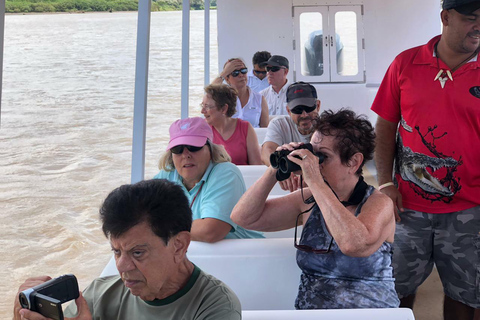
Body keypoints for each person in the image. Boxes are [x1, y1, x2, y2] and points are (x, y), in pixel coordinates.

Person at [371, 1, 480, 318]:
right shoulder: (406, 64)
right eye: (471, 18)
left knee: (465, 297)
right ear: (446, 17)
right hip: (407, 209)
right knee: (395, 291)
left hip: (470, 211)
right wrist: (386, 183)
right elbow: (385, 127)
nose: (478, 26)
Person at [231, 109, 399, 309]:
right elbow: (243, 218)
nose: (312, 163)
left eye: (322, 157)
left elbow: (354, 244)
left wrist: (315, 181)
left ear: (354, 162)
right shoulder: (309, 201)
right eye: (312, 152)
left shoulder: (379, 203)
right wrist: (274, 169)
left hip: (369, 314)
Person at [13, 179, 242, 320]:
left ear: (179, 246)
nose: (121, 266)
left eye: (137, 253)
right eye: (116, 252)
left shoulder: (215, 306)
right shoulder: (98, 295)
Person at [154, 117, 263, 242]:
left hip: (243, 256)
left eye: (193, 147)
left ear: (211, 150)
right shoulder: (168, 175)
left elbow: (211, 230)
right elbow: (138, 212)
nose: (185, 154)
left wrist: (160, 226)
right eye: (177, 149)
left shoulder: (226, 173)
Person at [261, 81, 320, 192]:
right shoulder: (279, 124)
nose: (304, 114)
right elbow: (266, 151)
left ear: (318, 106)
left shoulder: (329, 127)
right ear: (288, 111)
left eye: (308, 108)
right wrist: (282, 169)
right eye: (297, 110)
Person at [202, 84, 262, 165]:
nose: (202, 111)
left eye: (207, 106)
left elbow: (256, 165)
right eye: (202, 105)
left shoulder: (245, 128)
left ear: (224, 109)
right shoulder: (202, 129)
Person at [213, 58, 269, 128]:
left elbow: (265, 130)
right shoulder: (222, 98)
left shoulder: (259, 99)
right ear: (227, 79)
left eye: (243, 71)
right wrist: (224, 73)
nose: (241, 75)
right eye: (235, 73)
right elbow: (210, 93)